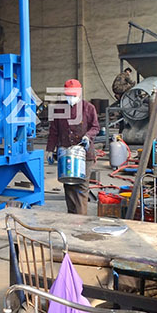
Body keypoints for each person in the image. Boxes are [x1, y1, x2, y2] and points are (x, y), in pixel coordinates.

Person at [45, 79, 99, 215]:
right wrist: (50, 150)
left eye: (74, 95)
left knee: (81, 187)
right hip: (66, 153)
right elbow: (54, 131)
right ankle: (71, 218)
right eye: (69, 95)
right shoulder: (59, 109)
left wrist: (88, 136)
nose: (71, 98)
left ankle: (80, 220)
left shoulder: (88, 108)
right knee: (68, 185)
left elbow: (95, 127)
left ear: (79, 93)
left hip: (84, 155)